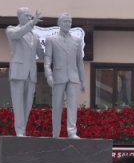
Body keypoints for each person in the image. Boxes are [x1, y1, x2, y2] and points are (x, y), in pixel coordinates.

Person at [42, 12, 86, 139]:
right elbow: (47, 60)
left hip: (72, 77)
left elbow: (80, 62)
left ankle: (72, 131)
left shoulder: (77, 40)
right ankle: (55, 132)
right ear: (59, 23)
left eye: (69, 22)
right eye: (65, 21)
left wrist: (82, 80)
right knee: (57, 105)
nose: (68, 24)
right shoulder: (51, 39)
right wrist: (48, 75)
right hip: (58, 77)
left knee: (72, 105)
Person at [5, 7, 43, 137]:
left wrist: (49, 48)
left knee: (28, 104)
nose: (29, 18)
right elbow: (18, 34)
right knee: (18, 103)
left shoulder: (35, 36)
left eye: (30, 16)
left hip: (31, 73)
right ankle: (19, 130)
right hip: (18, 72)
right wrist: (32, 24)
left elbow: (41, 54)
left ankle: (23, 129)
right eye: (27, 15)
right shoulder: (11, 30)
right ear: (19, 16)